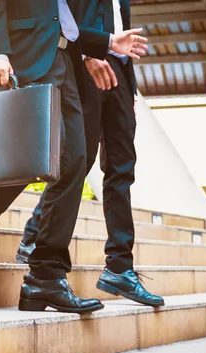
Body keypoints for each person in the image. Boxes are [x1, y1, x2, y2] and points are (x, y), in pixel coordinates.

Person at [0, 0, 148, 313]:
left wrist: (105, 42)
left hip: (63, 53)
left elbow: (62, 14)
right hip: (27, 51)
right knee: (33, 151)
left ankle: (45, 276)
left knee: (72, 162)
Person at [16, 0, 165, 307]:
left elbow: (119, 26)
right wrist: (85, 55)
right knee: (77, 161)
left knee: (122, 169)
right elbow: (61, 17)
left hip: (120, 74)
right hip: (85, 67)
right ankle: (34, 235)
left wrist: (130, 89)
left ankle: (120, 268)